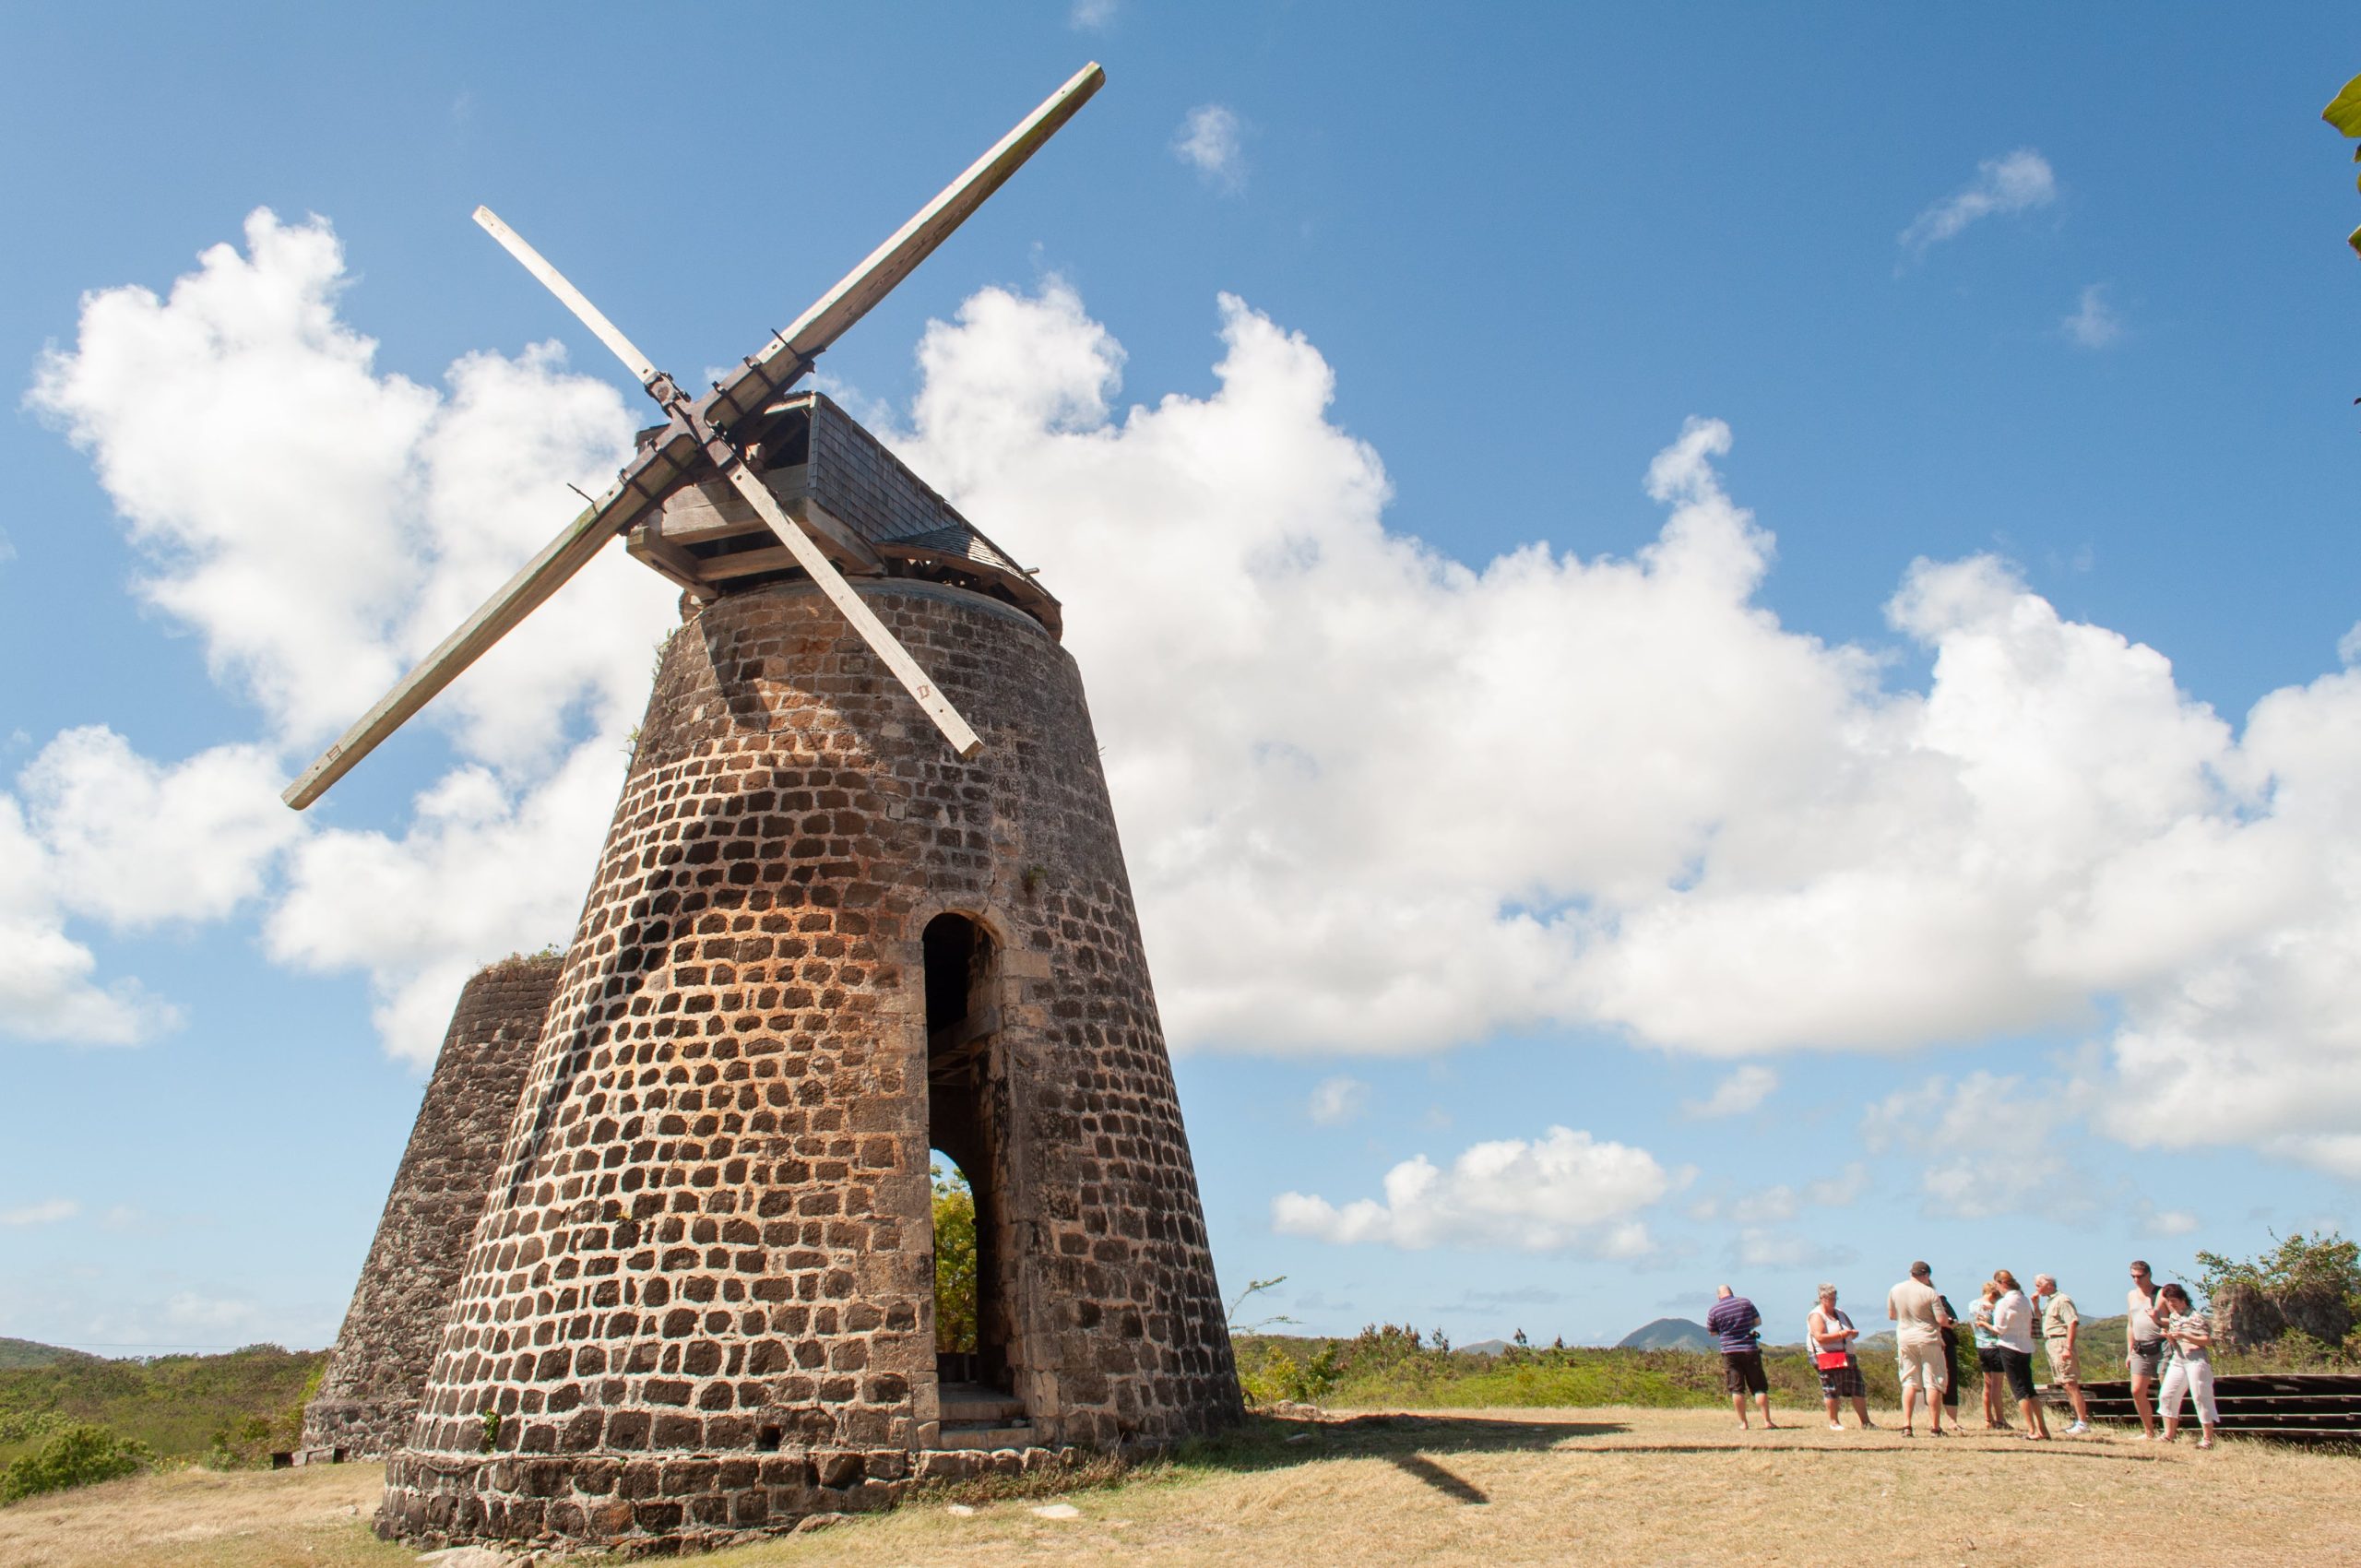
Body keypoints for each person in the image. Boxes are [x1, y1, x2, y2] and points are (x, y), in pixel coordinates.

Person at [1886, 1260, 1953, 1435]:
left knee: (1909, 1381)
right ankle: (1935, 1426)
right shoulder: (1930, 1292)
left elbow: (1892, 1315)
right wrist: (1951, 1323)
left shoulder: (1895, 1289)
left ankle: (1907, 1424)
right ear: (1926, 1275)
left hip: (1905, 1338)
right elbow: (1941, 1320)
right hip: (1928, 1338)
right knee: (1932, 1382)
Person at [2155, 1282, 2220, 1449]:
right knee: (2167, 1394)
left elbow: (2207, 1341)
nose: (2171, 1304)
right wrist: (2169, 1336)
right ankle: (2169, 1433)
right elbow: (2175, 1341)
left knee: (2200, 1396)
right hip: (2178, 1359)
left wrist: (2186, 1336)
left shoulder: (2196, 1317)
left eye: (2173, 1300)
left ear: (2183, 1299)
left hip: (2196, 1359)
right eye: (2169, 1301)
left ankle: (2207, 1438)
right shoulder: (2174, 1317)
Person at [1989, 1269, 2050, 1440]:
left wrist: (1983, 1324)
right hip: (2025, 1346)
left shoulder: (2004, 1302)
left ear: (2002, 1283)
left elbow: (1999, 1328)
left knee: (2019, 1390)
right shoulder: (2024, 1299)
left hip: (2009, 1346)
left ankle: (2031, 1430)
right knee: (2029, 1388)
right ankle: (2043, 1429)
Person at [1706, 1284, 1776, 1430]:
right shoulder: (1745, 1302)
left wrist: (1726, 1331)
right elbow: (1758, 1322)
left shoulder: (1714, 1309)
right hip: (1750, 1349)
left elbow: (1712, 1332)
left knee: (1737, 1388)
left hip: (1730, 1352)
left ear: (1719, 1296)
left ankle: (1744, 1423)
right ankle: (1767, 1421)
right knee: (1759, 1387)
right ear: (1731, 1292)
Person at [1808, 1284, 1874, 1431]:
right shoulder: (1816, 1315)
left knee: (1857, 1387)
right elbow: (1819, 1337)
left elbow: (1850, 1329)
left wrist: (1852, 1333)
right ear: (1821, 1298)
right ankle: (1834, 1422)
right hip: (1826, 1357)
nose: (1832, 1301)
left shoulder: (1840, 1313)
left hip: (1846, 1355)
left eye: (1834, 1298)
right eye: (1829, 1298)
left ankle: (1866, 1422)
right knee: (1831, 1389)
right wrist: (1840, 1335)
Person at [2033, 1274, 2092, 1434]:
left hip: (2060, 1342)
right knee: (2065, 1384)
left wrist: (2068, 1347)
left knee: (2070, 1383)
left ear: (2049, 1285)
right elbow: (2041, 1320)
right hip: (2051, 1342)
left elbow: (2072, 1322)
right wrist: (2036, 1305)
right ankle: (2077, 1421)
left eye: (2039, 1285)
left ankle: (2082, 1422)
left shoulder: (2062, 1300)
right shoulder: (2050, 1302)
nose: (2036, 1288)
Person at [2128, 1259, 2165, 1439]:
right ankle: (2149, 1431)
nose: (2136, 1280)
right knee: (2136, 1390)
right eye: (2133, 1276)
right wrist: (2129, 1351)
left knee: (2166, 1390)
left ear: (2149, 1275)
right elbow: (2130, 1324)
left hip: (2161, 1345)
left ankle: (2168, 1431)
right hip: (2139, 1347)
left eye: (2140, 1276)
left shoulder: (2161, 1293)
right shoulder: (2131, 1295)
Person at [1970, 1281, 2011, 1431]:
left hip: (1980, 1346)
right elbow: (1998, 1328)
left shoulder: (1972, 1305)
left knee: (1987, 1385)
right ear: (1994, 1294)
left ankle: (1988, 1418)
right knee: (1997, 1386)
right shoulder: (1994, 1309)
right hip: (1994, 1347)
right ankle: (2000, 1419)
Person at [1934, 1282, 1964, 1426]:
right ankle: (1934, 1421)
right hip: (1929, 1343)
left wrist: (1947, 1322)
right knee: (1932, 1382)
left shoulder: (1941, 1300)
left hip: (1946, 1342)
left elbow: (1954, 1321)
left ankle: (1952, 1420)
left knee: (1950, 1380)